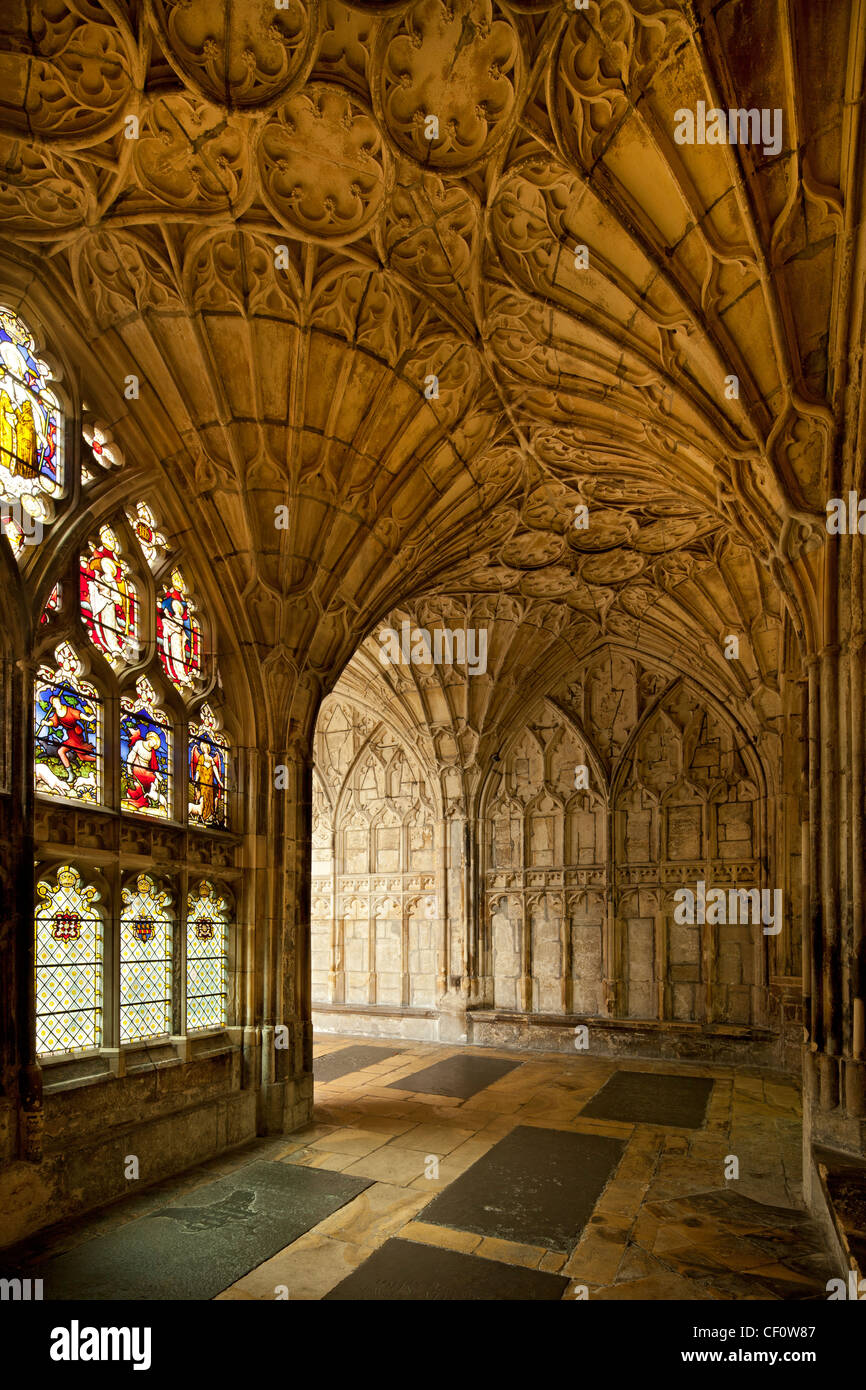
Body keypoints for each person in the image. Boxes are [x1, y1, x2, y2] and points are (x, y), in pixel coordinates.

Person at [125, 727, 163, 811]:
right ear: (150, 738)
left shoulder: (152, 752)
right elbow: (132, 755)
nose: (153, 744)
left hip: (146, 769)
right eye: (153, 742)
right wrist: (128, 767)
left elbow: (154, 765)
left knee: (153, 779)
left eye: (155, 744)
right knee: (147, 779)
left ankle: (147, 800)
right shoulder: (139, 743)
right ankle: (140, 797)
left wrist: (158, 775)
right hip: (137, 766)